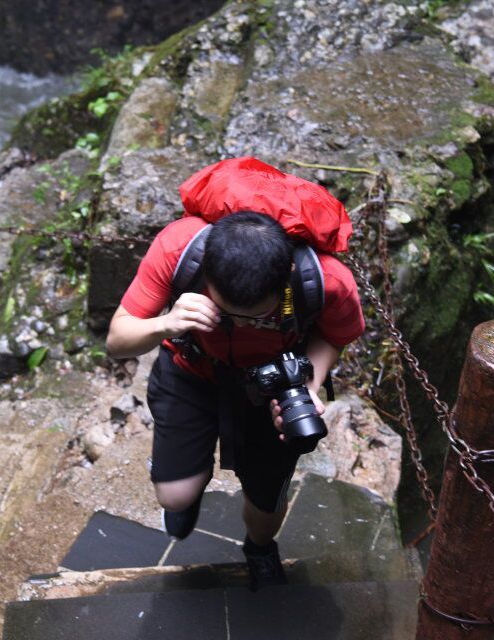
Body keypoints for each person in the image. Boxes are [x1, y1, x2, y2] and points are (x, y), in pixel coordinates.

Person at [105, 159, 365, 591]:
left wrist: (309, 385)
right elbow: (117, 339)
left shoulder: (326, 280)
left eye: (253, 316)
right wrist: (164, 324)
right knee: (174, 498)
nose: (236, 321)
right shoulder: (179, 248)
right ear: (206, 271)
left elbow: (334, 337)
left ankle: (259, 549)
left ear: (283, 282)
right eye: (223, 308)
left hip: (273, 387)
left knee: (264, 504)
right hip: (192, 370)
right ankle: (187, 476)